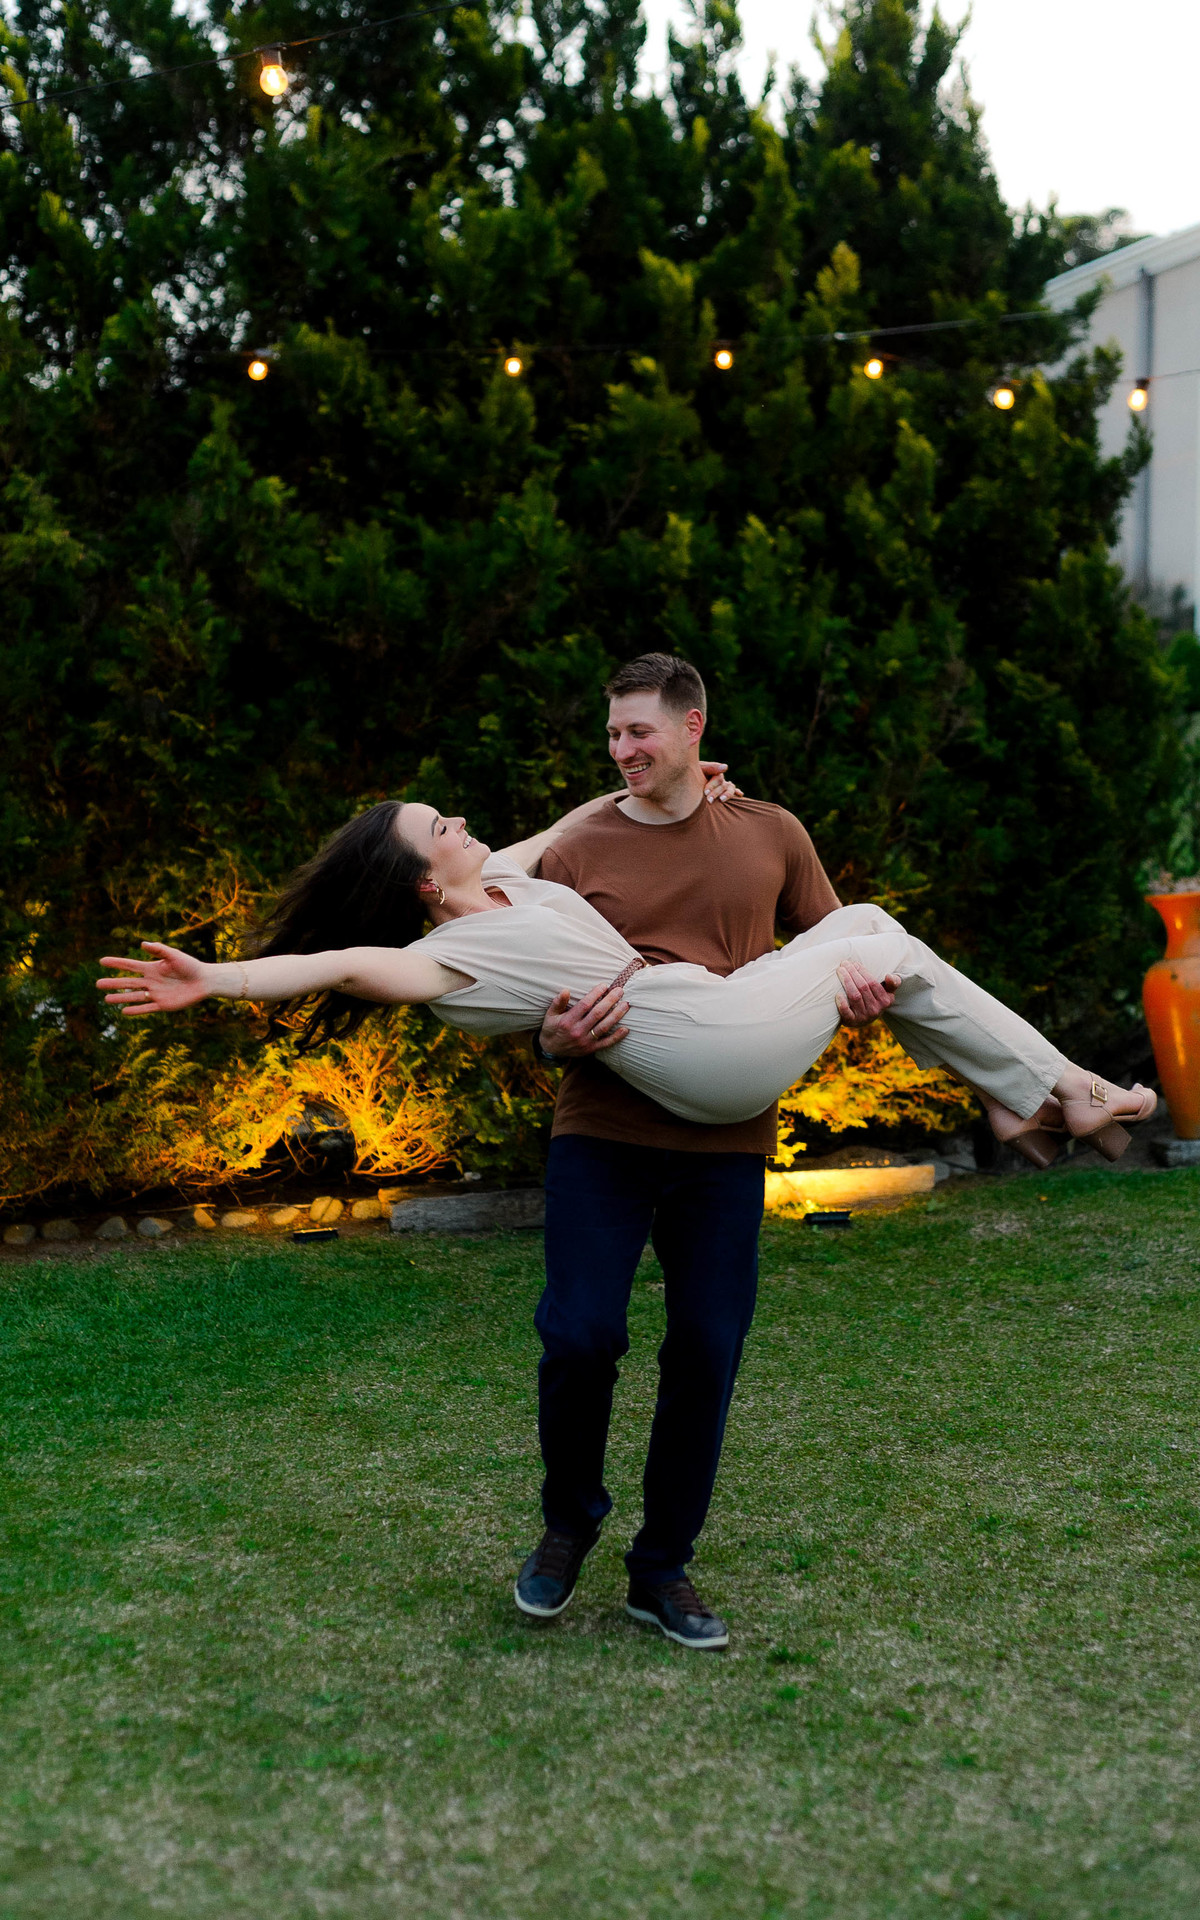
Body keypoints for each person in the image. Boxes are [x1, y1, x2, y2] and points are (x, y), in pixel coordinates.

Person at [97, 665, 1157, 1650]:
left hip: (721, 1084)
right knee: (579, 1335)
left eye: (637, 733)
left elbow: (571, 830)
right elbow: (341, 961)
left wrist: (843, 977)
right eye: (440, 827)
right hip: (650, 1085)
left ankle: (663, 1569)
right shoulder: (443, 954)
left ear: (690, 730)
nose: (619, 751)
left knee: (716, 1323)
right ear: (422, 879)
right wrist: (220, 978)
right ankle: (568, 1527)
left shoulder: (580, 862)